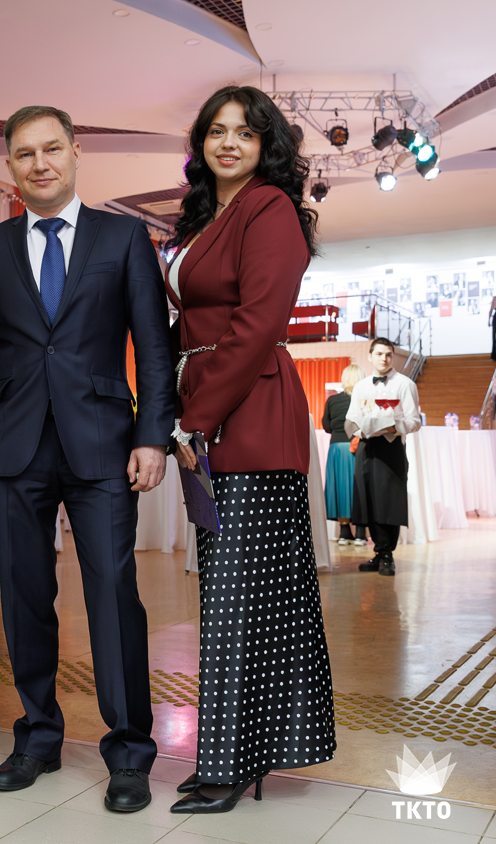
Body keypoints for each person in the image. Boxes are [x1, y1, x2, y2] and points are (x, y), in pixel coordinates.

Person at [0, 105, 175, 814]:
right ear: (11, 167)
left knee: (113, 595)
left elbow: (154, 343)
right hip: (12, 444)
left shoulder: (124, 237)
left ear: (76, 152)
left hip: (103, 442)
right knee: (23, 597)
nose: (40, 163)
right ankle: (38, 738)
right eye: (24, 154)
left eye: (52, 149)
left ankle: (129, 751)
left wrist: (152, 434)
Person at [164, 85, 336, 814]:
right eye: (216, 131)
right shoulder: (206, 215)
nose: (228, 143)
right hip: (211, 413)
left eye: (244, 132)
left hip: (249, 415)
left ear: (267, 145)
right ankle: (239, 755)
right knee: (233, 598)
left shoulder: (269, 209)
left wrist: (194, 419)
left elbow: (258, 324)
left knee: (243, 601)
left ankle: (229, 765)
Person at [346, 337, 421, 577]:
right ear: (370, 356)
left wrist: (392, 426)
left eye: (388, 354)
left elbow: (414, 421)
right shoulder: (361, 386)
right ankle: (379, 552)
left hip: (392, 448)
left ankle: (387, 554)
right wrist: (359, 428)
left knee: (390, 502)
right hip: (366, 447)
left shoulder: (405, 384)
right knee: (367, 500)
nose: (384, 359)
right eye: (379, 354)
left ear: (393, 357)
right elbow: (351, 419)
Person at [322, 364, 367, 545]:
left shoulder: (332, 400)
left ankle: (344, 533)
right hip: (357, 446)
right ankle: (361, 534)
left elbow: (327, 426)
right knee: (359, 488)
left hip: (336, 448)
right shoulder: (364, 400)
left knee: (340, 489)